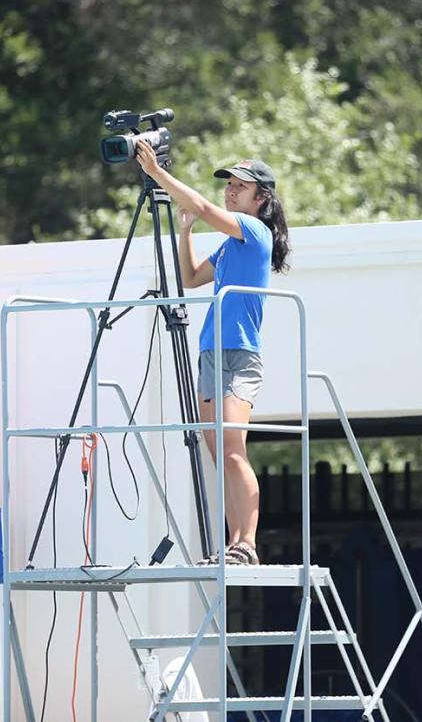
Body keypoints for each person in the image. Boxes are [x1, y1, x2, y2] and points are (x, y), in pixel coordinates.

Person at [135, 143, 291, 567]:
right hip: (210, 350)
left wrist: (157, 174)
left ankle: (247, 543)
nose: (231, 192)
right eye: (230, 186)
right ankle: (234, 545)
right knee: (218, 452)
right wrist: (184, 230)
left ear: (262, 200)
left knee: (232, 447)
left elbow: (202, 204)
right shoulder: (228, 246)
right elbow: (189, 277)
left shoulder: (253, 230)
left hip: (239, 352)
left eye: (241, 188)